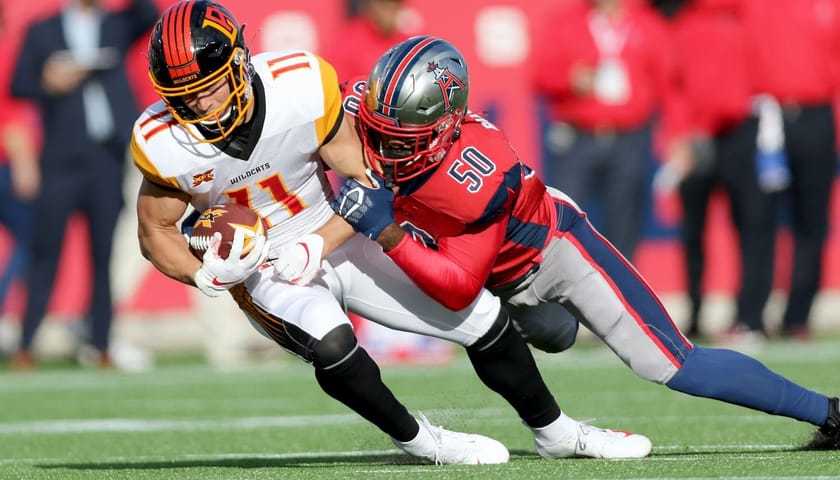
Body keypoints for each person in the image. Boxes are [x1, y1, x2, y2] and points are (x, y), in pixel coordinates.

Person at [132, 0, 651, 465]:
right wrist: (206, 275)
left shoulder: (299, 84)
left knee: (483, 318)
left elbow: (366, 179)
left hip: (332, 226)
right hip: (264, 265)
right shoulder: (164, 140)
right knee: (333, 345)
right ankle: (423, 442)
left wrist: (320, 242)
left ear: (240, 64)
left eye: (209, 87)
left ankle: (557, 433)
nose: (200, 106)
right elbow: (156, 231)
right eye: (184, 96)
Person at [316, 35, 839, 450]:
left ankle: (828, 411)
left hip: (553, 254)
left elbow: (458, 288)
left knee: (667, 362)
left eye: (399, 140)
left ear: (445, 127)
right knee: (550, 335)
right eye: (376, 133)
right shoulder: (368, 108)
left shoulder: (475, 173)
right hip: (492, 278)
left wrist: (386, 232)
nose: (382, 150)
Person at [8, 0, 159, 369]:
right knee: (46, 255)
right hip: (60, 159)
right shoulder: (43, 30)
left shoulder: (114, 24)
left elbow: (149, 14)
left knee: (103, 255)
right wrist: (49, 80)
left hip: (106, 158)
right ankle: (26, 345)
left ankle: (100, 343)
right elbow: (19, 84)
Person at [655, 0, 776, 342]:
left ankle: (750, 316)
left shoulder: (742, 17)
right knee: (695, 230)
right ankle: (696, 313)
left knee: (751, 226)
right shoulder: (682, 23)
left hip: (738, 131)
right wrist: (679, 137)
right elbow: (672, 86)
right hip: (697, 136)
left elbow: (744, 88)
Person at [529, 0, 673, 260]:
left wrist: (675, 134)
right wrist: (569, 78)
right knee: (562, 224)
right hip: (578, 137)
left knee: (623, 227)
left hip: (630, 136)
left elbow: (667, 83)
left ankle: (619, 297)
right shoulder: (567, 24)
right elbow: (539, 75)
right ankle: (557, 298)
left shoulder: (646, 23)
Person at [739, 0, 840, 341]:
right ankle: (752, 315)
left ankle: (798, 316)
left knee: (811, 222)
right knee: (757, 220)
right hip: (765, 116)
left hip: (815, 114)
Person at [327, 0, 408, 83]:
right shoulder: (349, 39)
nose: (389, 14)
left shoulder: (405, 44)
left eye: (394, 8)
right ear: (371, 5)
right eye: (384, 6)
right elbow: (336, 84)